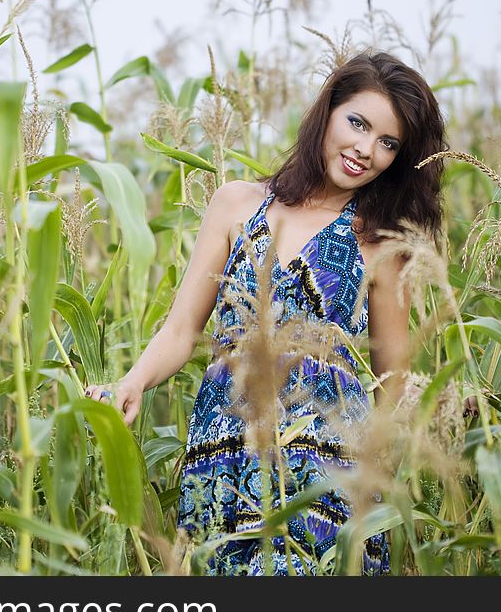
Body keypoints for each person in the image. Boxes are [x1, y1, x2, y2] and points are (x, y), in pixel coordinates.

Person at [85, 49, 456, 575]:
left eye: (388, 142)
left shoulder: (381, 243)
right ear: (326, 111)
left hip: (327, 472)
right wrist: (134, 381)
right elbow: (181, 329)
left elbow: (392, 380)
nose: (365, 150)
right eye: (357, 123)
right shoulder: (238, 204)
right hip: (225, 454)